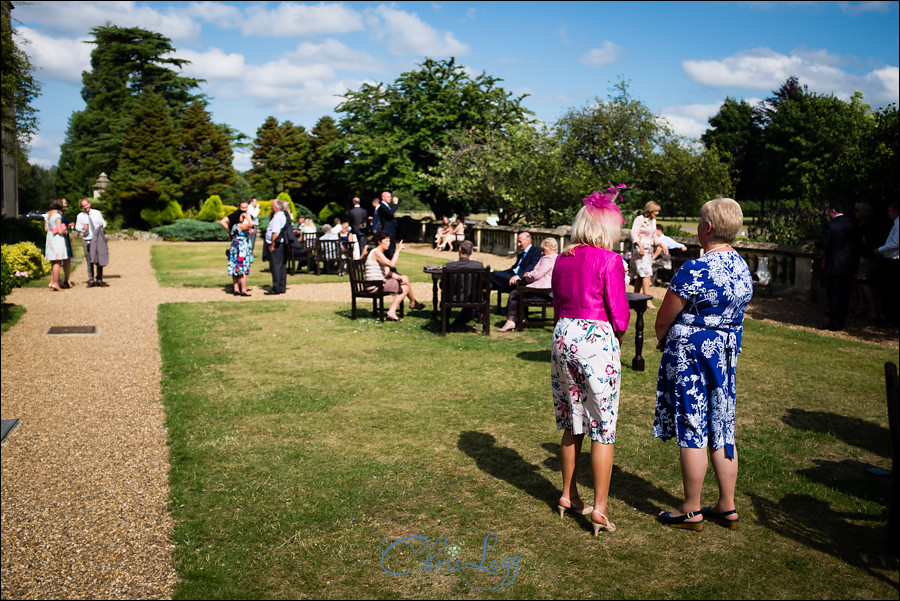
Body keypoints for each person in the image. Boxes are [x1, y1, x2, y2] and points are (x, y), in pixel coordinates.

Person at [654, 197, 753, 531]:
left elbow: (664, 317)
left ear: (706, 228)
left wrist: (661, 338)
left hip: (692, 353)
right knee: (722, 424)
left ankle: (691, 509)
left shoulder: (694, 269)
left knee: (692, 423)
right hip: (725, 353)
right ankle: (727, 505)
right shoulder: (742, 267)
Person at [551, 188, 630, 536]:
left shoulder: (562, 258)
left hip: (563, 334)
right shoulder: (610, 260)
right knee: (603, 426)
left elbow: (557, 300)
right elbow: (621, 313)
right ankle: (599, 507)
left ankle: (567, 494)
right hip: (596, 339)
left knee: (572, 419)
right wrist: (620, 339)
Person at [816, 199, 859, 331]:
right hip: (848, 265)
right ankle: (841, 321)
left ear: (833, 211)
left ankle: (834, 322)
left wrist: (817, 243)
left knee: (834, 294)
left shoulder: (830, 225)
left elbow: (823, 243)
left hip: (834, 265)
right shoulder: (852, 224)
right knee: (845, 294)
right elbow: (857, 246)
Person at [498, 237, 559, 332]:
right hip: (550, 290)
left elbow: (536, 275)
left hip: (542, 291)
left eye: (543, 250)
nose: (542, 253)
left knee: (515, 293)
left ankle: (512, 320)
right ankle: (522, 318)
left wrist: (526, 276)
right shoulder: (558, 258)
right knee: (520, 291)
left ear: (550, 248)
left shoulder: (548, 259)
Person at [365, 231, 424, 321]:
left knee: (404, 278)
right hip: (375, 285)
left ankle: (413, 303)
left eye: (389, 241)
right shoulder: (377, 252)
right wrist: (397, 251)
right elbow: (392, 265)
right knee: (405, 288)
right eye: (387, 241)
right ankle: (394, 311)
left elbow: (387, 272)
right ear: (379, 242)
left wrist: (399, 277)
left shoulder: (378, 253)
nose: (389, 243)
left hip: (377, 283)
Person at [442, 240, 484, 327]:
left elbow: (442, 285)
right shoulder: (478, 266)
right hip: (472, 298)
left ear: (459, 249)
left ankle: (445, 323)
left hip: (452, 298)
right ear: (472, 252)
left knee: (444, 294)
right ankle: (463, 320)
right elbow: (482, 283)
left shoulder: (449, 266)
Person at [630, 200, 661, 309]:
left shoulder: (653, 221)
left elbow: (653, 236)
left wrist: (660, 244)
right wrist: (640, 246)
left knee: (640, 275)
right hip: (640, 250)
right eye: (655, 211)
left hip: (649, 250)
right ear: (650, 210)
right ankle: (647, 301)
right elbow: (634, 233)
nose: (657, 213)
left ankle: (634, 299)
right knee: (647, 275)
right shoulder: (640, 219)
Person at [873, 201, 899, 325]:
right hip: (890, 260)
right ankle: (889, 317)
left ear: (896, 211)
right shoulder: (895, 224)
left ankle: (891, 318)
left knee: (890, 291)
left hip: (894, 262)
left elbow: (896, 243)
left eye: (890, 210)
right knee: (888, 290)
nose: (888, 213)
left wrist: (881, 249)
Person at [75, 198, 109, 287]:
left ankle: (99, 279)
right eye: (83, 206)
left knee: (99, 259)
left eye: (86, 205)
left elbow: (104, 222)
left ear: (89, 204)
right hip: (88, 239)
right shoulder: (80, 216)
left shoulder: (97, 213)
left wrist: (102, 224)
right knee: (89, 260)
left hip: (97, 239)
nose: (85, 207)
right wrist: (82, 227)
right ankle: (91, 279)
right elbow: (77, 227)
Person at [43, 198, 69, 292]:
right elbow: (60, 230)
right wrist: (64, 231)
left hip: (50, 240)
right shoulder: (57, 215)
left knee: (54, 262)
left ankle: (52, 282)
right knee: (57, 263)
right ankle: (56, 283)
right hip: (57, 241)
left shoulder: (47, 215)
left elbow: (46, 229)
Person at [227, 211, 254, 296]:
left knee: (235, 268)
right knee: (243, 269)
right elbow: (252, 224)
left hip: (235, 248)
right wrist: (247, 216)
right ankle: (243, 289)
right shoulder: (239, 225)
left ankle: (236, 288)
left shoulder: (233, 226)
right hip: (241, 249)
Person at [265, 200, 288, 295]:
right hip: (281, 244)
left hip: (277, 244)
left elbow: (275, 233)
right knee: (281, 266)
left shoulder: (278, 217)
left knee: (275, 266)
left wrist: (272, 245)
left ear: (275, 207)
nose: (270, 207)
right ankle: (281, 286)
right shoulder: (281, 215)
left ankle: (276, 288)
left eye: (271, 205)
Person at [376, 191, 400, 259]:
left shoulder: (387, 206)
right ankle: (391, 268)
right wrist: (395, 204)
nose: (390, 198)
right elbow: (390, 214)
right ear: (383, 198)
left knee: (391, 249)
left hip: (391, 232)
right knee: (389, 252)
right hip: (388, 232)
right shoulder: (382, 207)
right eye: (389, 197)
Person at [58, 198, 75, 288]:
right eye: (64, 203)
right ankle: (58, 280)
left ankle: (67, 279)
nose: (66, 205)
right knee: (59, 260)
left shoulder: (62, 214)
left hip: (65, 238)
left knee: (67, 260)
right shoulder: (57, 215)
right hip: (61, 239)